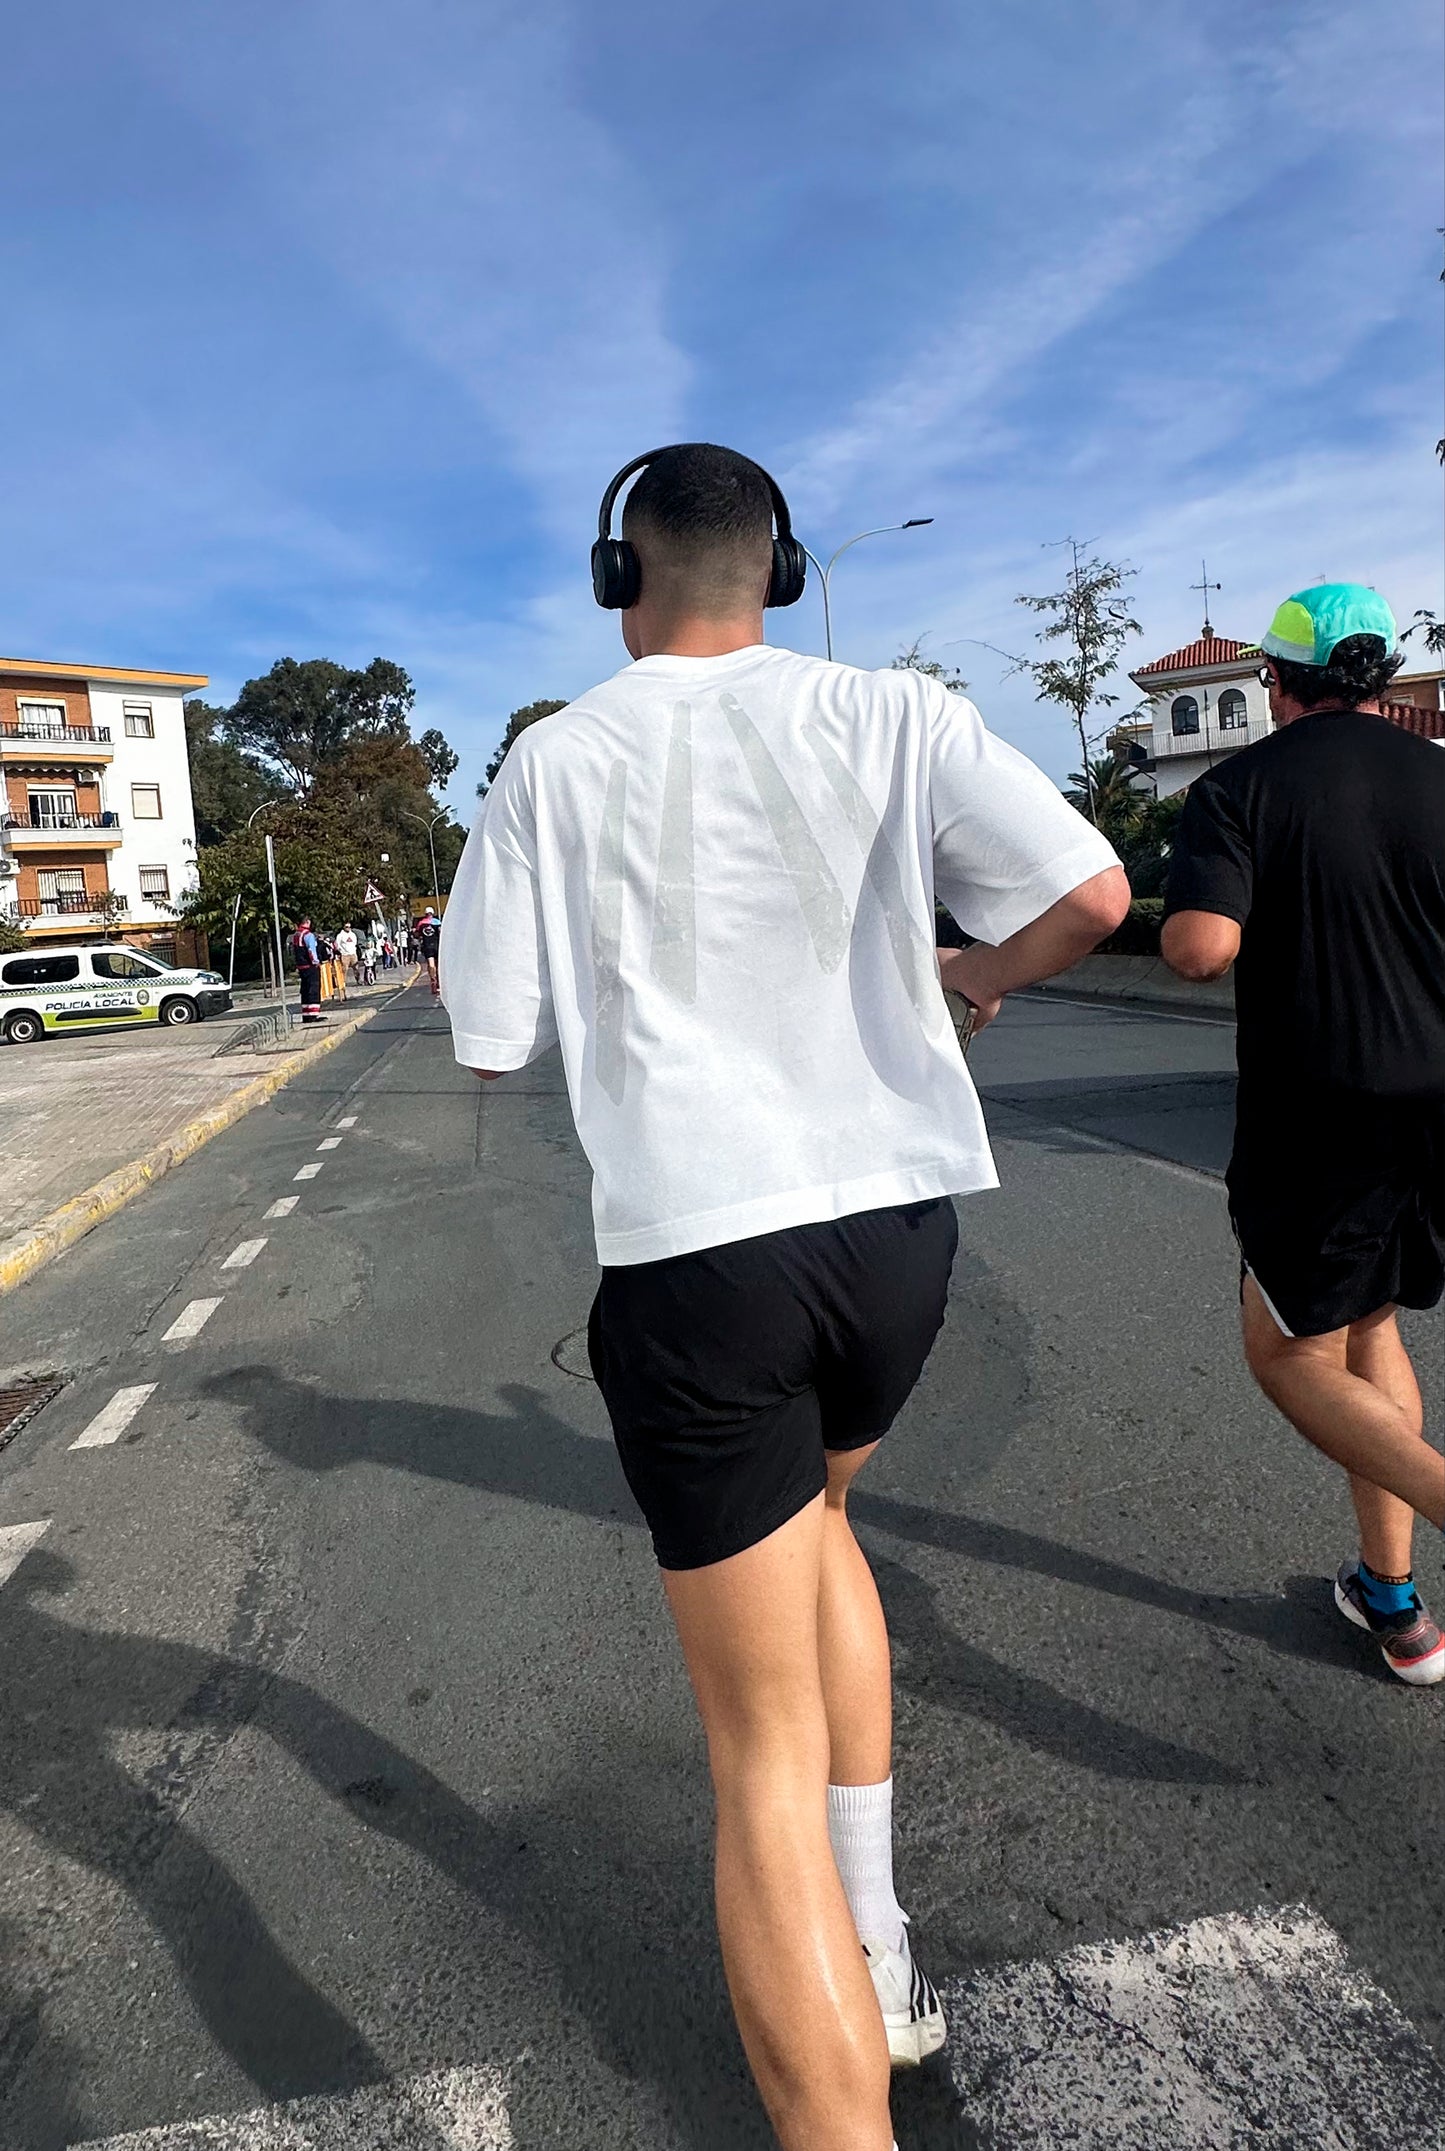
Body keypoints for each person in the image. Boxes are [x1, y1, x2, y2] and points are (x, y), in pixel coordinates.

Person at [440, 443, 1128, 2151]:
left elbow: (488, 1033)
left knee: (753, 1754)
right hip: (897, 1239)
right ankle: (880, 1951)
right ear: (786, 570)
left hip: (702, 1254)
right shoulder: (896, 712)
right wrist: (972, 968)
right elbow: (1097, 895)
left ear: (623, 581)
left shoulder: (551, 758)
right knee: (826, 1531)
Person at [1161, 583, 1445, 1687]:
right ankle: (1392, 1602)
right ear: (1376, 678)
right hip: (1438, 1110)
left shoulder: (1236, 790)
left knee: (1285, 1356)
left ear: (1273, 684)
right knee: (1370, 1331)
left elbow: (1192, 950)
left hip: (1321, 1117)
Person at [291, 916, 324, 1025]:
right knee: (313, 989)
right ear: (308, 922)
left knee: (305, 990)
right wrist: (316, 961)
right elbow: (311, 950)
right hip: (310, 966)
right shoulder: (308, 935)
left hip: (301, 966)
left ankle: (306, 1015)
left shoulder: (296, 935)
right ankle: (313, 1015)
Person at [413, 906, 442, 996]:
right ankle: (439, 983)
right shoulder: (437, 922)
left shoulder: (421, 923)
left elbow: (416, 934)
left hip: (427, 946)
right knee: (438, 966)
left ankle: (433, 982)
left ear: (425, 914)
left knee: (431, 965)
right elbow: (441, 933)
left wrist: (415, 932)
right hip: (437, 946)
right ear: (432, 913)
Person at [334, 922, 359, 993]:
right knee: (344, 969)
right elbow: (337, 944)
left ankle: (358, 980)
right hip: (345, 955)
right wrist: (341, 951)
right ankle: (343, 982)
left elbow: (355, 943)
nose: (348, 928)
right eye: (347, 927)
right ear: (344, 927)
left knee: (356, 968)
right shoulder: (340, 935)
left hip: (353, 953)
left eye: (349, 927)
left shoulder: (353, 935)